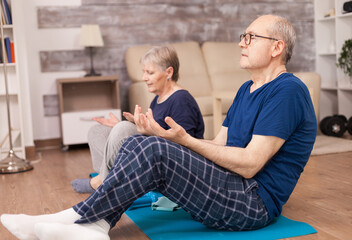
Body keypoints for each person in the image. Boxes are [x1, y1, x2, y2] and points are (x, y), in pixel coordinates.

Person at [1, 14, 317, 240]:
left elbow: (249, 165)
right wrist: (169, 139)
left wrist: (184, 141)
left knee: (153, 148)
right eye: (242, 37)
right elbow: (220, 146)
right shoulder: (245, 89)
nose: (241, 44)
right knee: (138, 143)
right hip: (229, 186)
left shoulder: (287, 90)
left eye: (250, 37)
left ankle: (73, 217)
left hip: (251, 203)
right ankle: (95, 227)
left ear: (277, 47)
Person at [71, 45, 205, 193]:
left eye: (150, 72)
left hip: (175, 165)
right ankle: (110, 180)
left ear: (169, 72)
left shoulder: (181, 99)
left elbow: (186, 144)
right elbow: (154, 130)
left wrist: (132, 129)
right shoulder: (158, 100)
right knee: (98, 131)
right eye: (144, 72)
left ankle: (103, 183)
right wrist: (125, 125)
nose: (144, 78)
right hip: (153, 151)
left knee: (123, 129)